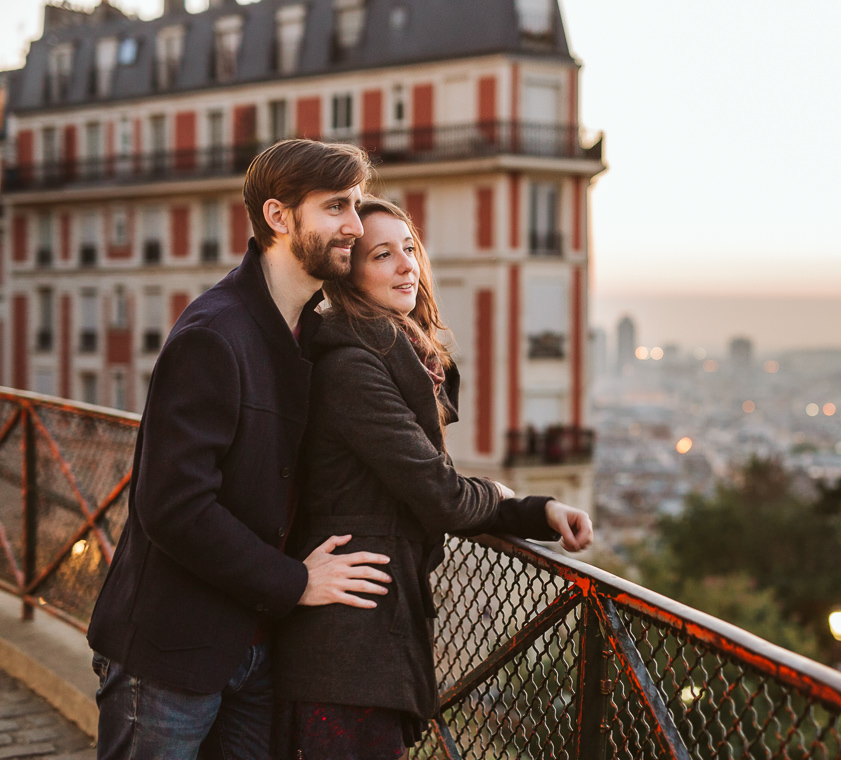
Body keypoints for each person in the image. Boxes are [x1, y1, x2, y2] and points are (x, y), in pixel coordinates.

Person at [86, 139, 396, 760]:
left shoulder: (311, 336)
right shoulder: (213, 334)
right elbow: (172, 506)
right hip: (169, 656)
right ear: (280, 218)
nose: (355, 228)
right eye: (337, 207)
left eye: (356, 208)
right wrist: (294, 582)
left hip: (257, 655)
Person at [272, 195, 594, 759]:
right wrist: (498, 493)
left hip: (368, 638)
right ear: (348, 273)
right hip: (346, 651)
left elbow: (423, 478)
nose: (406, 267)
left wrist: (533, 511)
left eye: (409, 249)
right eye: (381, 255)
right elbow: (440, 493)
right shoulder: (350, 366)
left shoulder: (390, 354)